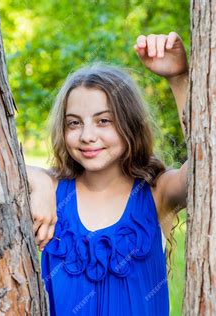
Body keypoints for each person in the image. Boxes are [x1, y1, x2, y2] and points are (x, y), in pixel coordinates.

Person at [26, 31, 188, 316]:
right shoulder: (53, 193)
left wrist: (179, 79)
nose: (88, 135)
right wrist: (37, 179)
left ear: (130, 124)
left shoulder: (157, 193)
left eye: (104, 121)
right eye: (74, 123)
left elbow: (208, 166)